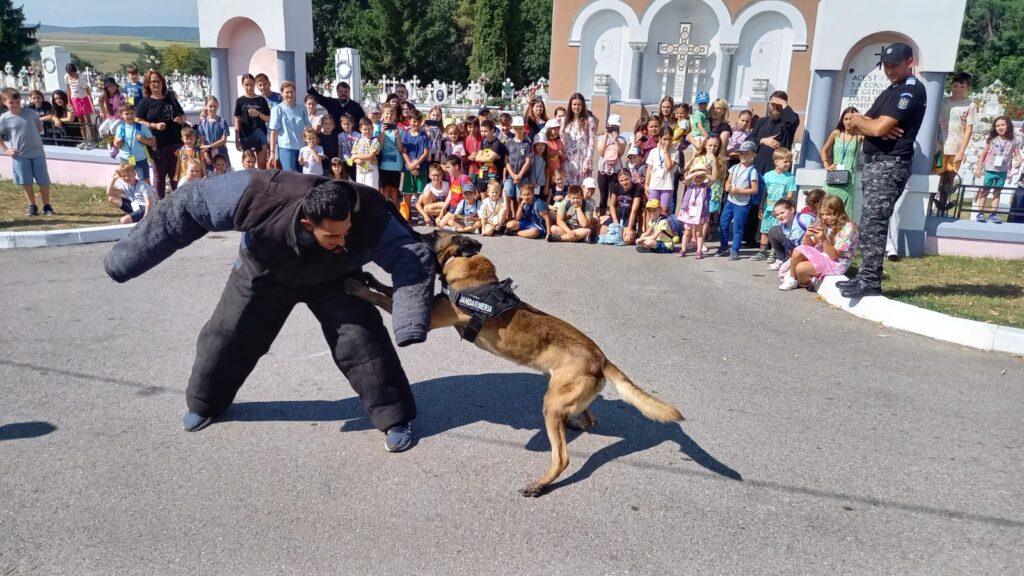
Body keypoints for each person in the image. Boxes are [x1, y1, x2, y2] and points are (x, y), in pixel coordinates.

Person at [103, 172, 436, 453]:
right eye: (333, 235)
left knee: (363, 344)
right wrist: (125, 258)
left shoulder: (371, 213)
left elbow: (411, 254)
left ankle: (394, 417)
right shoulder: (260, 194)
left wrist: (410, 321)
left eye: (347, 231)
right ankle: (205, 403)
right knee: (227, 336)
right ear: (308, 224)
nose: (343, 238)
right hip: (263, 271)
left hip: (335, 276)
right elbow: (188, 206)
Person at [838, 42, 927, 298]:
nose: (889, 70)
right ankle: (865, 276)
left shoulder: (910, 89)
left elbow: (876, 128)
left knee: (874, 223)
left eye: (894, 65)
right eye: (886, 65)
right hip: (878, 163)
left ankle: (870, 282)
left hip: (890, 164)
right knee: (869, 222)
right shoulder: (892, 89)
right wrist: (867, 124)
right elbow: (861, 124)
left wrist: (870, 125)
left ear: (909, 62)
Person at [745, 90, 800, 246]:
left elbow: (794, 120)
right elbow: (750, 139)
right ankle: (750, 237)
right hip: (759, 167)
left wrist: (783, 104)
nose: (774, 107)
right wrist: (764, 140)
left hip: (777, 170)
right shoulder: (762, 121)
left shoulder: (788, 122)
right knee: (756, 201)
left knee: (775, 203)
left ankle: (772, 241)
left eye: (778, 105)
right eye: (772, 104)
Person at [780, 195, 858, 291]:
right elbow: (807, 247)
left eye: (828, 214)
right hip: (822, 254)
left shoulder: (848, 228)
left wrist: (823, 238)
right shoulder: (823, 223)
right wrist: (808, 235)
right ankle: (792, 279)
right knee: (797, 251)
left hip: (837, 262)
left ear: (838, 212)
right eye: (822, 214)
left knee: (800, 268)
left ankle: (806, 283)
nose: (824, 218)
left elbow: (834, 256)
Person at [134, 70, 187, 199]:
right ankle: (161, 203)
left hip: (175, 142)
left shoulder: (170, 98)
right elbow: (137, 120)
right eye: (153, 81)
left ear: (162, 83)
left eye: (158, 81)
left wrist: (181, 119)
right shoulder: (145, 102)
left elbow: (183, 115)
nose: (156, 84)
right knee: (159, 175)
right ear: (148, 84)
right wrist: (154, 125)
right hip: (156, 145)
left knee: (175, 174)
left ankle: (178, 201)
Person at [1, 88, 54, 216]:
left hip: (37, 152)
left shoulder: (30, 113)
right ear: (4, 102)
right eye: (11, 102)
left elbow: (39, 127)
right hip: (20, 155)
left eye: (17, 102)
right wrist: (5, 149)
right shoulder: (4, 118)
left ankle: (47, 205)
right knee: (26, 181)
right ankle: (32, 205)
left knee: (43, 181)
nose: (15, 105)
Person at [752, 148, 797, 262]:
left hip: (780, 211)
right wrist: (761, 207)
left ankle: (774, 252)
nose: (788, 164)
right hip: (768, 208)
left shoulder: (790, 178)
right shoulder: (768, 176)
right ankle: (762, 251)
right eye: (785, 161)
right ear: (776, 162)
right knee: (765, 230)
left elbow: (790, 195)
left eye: (789, 161)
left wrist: (785, 208)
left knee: (777, 231)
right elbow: (764, 193)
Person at [717, 141, 760, 259]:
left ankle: (735, 251)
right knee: (723, 223)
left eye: (747, 154)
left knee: (738, 227)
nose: (743, 156)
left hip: (742, 204)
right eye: (741, 153)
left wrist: (739, 191)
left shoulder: (752, 171)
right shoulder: (735, 167)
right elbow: (728, 181)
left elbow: (754, 189)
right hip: (730, 201)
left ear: (753, 155)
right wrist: (727, 186)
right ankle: (724, 246)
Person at [974, 115, 1020, 223]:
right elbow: (983, 154)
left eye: (1002, 125)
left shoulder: (1013, 141)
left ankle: (993, 214)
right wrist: (979, 168)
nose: (1000, 127)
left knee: (997, 192)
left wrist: (1019, 161)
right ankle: (980, 212)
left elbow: (1017, 154)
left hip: (1002, 171)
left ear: (1008, 125)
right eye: (997, 126)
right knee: (985, 191)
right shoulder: (992, 139)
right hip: (990, 170)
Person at [821, 107, 863, 218]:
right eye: (846, 119)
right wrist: (826, 165)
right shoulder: (836, 133)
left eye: (851, 119)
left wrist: (861, 118)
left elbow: (872, 134)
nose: (848, 122)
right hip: (834, 176)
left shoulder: (859, 135)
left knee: (845, 212)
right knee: (827, 208)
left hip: (849, 178)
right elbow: (823, 150)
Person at [937, 72, 976, 174]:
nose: (958, 89)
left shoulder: (970, 105)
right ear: (951, 86)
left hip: (956, 149)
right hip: (939, 146)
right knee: (935, 176)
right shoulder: (942, 102)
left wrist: (961, 151)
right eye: (955, 86)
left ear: (967, 88)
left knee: (949, 178)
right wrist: (936, 143)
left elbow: (968, 129)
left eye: (962, 87)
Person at [268, 81, 312, 172]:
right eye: (287, 92)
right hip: (286, 148)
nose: (290, 95)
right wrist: (272, 153)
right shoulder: (277, 109)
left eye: (292, 92)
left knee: (303, 175)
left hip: (302, 148)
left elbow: (308, 129)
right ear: (282, 93)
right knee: (290, 175)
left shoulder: (302, 108)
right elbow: (274, 132)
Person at [234, 73, 271, 169]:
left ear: (254, 84)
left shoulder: (261, 100)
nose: (249, 87)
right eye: (246, 85)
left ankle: (261, 180)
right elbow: (237, 120)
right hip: (246, 136)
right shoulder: (240, 101)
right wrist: (236, 139)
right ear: (242, 85)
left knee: (262, 165)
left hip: (261, 135)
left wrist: (258, 114)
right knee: (248, 164)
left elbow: (269, 118)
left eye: (251, 84)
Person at [765, 197, 813, 270]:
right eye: (777, 215)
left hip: (810, 249)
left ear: (792, 210)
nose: (780, 216)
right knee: (773, 230)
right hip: (795, 247)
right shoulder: (783, 223)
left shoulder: (803, 219)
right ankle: (781, 259)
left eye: (782, 213)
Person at [113, 104, 156, 183]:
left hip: (140, 159)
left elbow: (153, 142)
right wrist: (117, 143)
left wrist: (144, 140)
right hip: (125, 159)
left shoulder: (142, 127)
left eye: (132, 113)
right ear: (122, 115)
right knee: (127, 181)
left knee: (145, 181)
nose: (130, 116)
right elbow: (116, 143)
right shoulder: (120, 128)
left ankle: (146, 191)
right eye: (126, 114)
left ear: (135, 114)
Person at [561, 93, 597, 185]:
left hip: (583, 158)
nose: (576, 107)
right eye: (574, 104)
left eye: (579, 104)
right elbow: (561, 139)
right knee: (568, 187)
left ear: (583, 105)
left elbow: (592, 142)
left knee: (582, 187)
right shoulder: (565, 120)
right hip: (568, 159)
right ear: (570, 105)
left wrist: (588, 159)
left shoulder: (589, 120)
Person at [677, 167, 712, 258]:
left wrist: (705, 173)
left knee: (699, 233)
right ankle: (683, 249)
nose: (699, 179)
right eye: (697, 177)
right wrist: (694, 173)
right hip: (689, 212)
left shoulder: (705, 186)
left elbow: (713, 180)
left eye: (701, 177)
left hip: (700, 213)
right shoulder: (690, 185)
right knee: (687, 232)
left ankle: (699, 251)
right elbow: (686, 179)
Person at [601, 169, 642, 245]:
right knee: (602, 233)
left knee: (627, 240)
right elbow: (612, 205)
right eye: (621, 181)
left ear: (631, 177)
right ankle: (607, 221)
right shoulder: (616, 187)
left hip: (628, 219)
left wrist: (629, 228)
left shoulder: (637, 189)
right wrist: (615, 220)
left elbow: (634, 210)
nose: (624, 182)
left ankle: (630, 233)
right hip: (617, 217)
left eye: (626, 179)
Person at [400, 109, 430, 211]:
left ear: (421, 121)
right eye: (413, 121)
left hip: (421, 168)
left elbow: (425, 153)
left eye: (418, 121)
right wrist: (411, 165)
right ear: (409, 121)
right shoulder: (405, 135)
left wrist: (416, 164)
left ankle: (422, 214)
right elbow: (404, 152)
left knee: (421, 194)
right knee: (407, 194)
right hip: (408, 168)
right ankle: (407, 215)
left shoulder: (424, 135)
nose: (415, 123)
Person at [503, 116, 533, 217]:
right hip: (510, 176)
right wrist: (513, 175)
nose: (518, 131)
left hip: (523, 177)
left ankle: (519, 218)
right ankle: (507, 218)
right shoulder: (508, 142)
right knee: (507, 196)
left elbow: (527, 162)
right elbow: (506, 161)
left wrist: (519, 175)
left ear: (524, 128)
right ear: (513, 128)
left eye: (520, 128)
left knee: (520, 198)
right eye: (516, 128)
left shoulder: (527, 144)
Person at [596, 114, 626, 215]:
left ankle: (613, 217)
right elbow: (601, 152)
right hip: (602, 170)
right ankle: (602, 216)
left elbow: (620, 153)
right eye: (612, 126)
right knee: (603, 195)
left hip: (615, 171)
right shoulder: (601, 138)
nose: (614, 129)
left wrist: (616, 139)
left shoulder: (621, 139)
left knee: (614, 195)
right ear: (608, 125)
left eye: (616, 127)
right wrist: (605, 137)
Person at [378, 104, 406, 206]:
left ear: (395, 116)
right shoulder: (378, 128)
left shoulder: (399, 130)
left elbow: (400, 149)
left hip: (396, 165)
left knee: (394, 189)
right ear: (382, 115)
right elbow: (380, 147)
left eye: (392, 114)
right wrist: (382, 133)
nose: (389, 116)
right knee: (384, 189)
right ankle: (385, 210)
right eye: (387, 113)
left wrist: (397, 137)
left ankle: (394, 209)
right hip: (383, 165)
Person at [645, 127, 677, 216]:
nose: (667, 142)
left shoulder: (675, 152)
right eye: (665, 139)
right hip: (654, 184)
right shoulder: (654, 152)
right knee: (652, 208)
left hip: (667, 185)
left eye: (669, 139)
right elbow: (649, 169)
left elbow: (668, 167)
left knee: (664, 209)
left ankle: (663, 224)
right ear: (660, 139)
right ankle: (651, 225)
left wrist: (666, 152)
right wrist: (646, 184)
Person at [64, 63, 96, 148]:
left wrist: (91, 103)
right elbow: (68, 89)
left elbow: (87, 90)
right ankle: (85, 140)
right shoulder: (66, 77)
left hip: (84, 99)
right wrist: (69, 102)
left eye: (74, 73)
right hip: (75, 99)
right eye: (71, 73)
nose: (73, 75)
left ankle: (92, 140)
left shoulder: (81, 77)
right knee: (81, 121)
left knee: (87, 120)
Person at [197, 96, 231, 172]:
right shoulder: (202, 123)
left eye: (215, 106)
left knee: (224, 174)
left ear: (218, 106)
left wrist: (209, 147)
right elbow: (202, 144)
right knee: (210, 175)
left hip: (221, 153)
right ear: (206, 106)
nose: (213, 109)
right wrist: (206, 156)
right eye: (210, 106)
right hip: (209, 155)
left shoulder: (222, 121)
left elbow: (223, 140)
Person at [473, 119, 508, 189]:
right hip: (483, 173)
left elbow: (490, 158)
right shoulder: (483, 142)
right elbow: (477, 158)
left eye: (485, 131)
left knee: (493, 193)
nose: (483, 134)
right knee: (482, 193)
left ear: (492, 131)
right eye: (481, 131)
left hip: (494, 174)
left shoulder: (497, 142)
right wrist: (489, 156)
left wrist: (485, 156)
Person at [351, 116, 381, 188]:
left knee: (372, 190)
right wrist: (356, 160)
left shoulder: (375, 141)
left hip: (371, 171)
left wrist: (355, 156)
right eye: (365, 129)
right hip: (360, 171)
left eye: (369, 129)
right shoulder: (357, 141)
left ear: (372, 129)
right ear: (360, 129)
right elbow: (352, 155)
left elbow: (370, 156)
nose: (367, 131)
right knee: (360, 190)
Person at [97, 77, 126, 149]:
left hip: (120, 117)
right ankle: (110, 144)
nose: (112, 87)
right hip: (110, 117)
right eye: (110, 86)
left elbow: (124, 107)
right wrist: (102, 112)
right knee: (101, 130)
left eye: (114, 85)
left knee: (112, 128)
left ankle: (117, 145)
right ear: (106, 88)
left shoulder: (120, 96)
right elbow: (100, 103)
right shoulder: (103, 96)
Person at [543, 118, 564, 189]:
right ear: (548, 130)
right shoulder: (546, 142)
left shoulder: (559, 142)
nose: (556, 131)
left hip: (557, 173)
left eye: (557, 129)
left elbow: (562, 158)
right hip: (547, 172)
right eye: (553, 129)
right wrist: (556, 153)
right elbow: (546, 157)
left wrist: (561, 154)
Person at [530, 136, 547, 200]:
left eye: (542, 145)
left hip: (542, 185)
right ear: (534, 146)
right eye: (538, 145)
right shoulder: (531, 157)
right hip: (532, 185)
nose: (540, 147)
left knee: (540, 201)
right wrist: (530, 182)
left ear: (545, 146)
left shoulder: (546, 158)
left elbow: (547, 173)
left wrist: (546, 186)